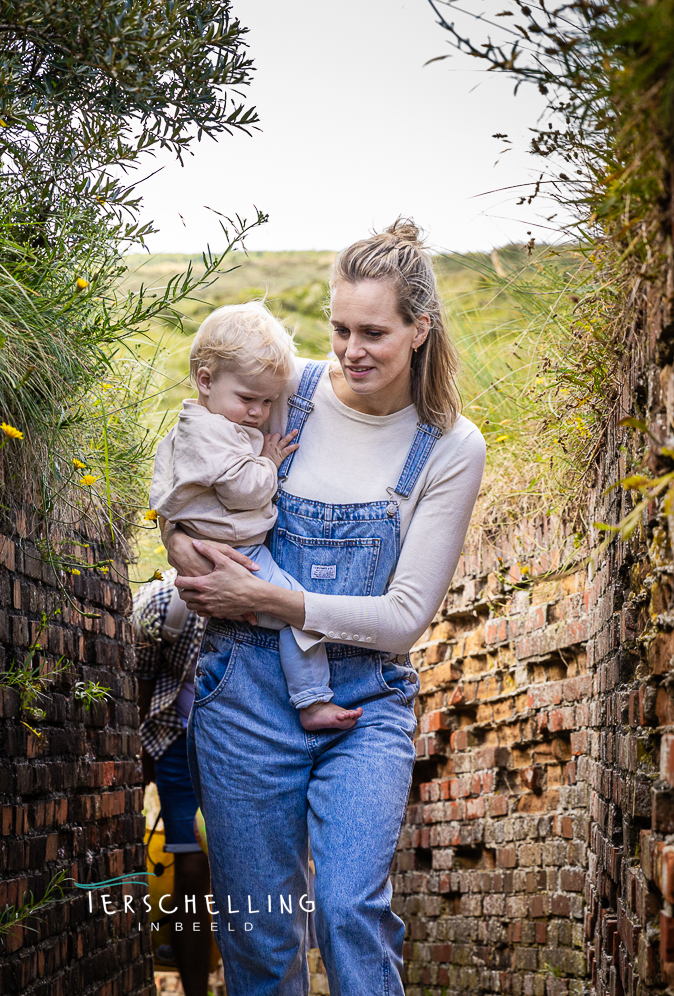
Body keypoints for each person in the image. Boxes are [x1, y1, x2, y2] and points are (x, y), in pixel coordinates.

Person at [165, 220, 486, 994]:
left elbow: (405, 617)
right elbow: (195, 478)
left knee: (348, 910)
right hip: (242, 693)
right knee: (262, 933)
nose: (350, 350)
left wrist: (272, 597)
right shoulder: (288, 395)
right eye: (340, 328)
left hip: (366, 700)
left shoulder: (448, 446)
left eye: (374, 331)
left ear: (419, 329)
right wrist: (178, 538)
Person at [150, 302, 360, 731]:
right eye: (248, 398)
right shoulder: (212, 435)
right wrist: (268, 461)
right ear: (205, 381)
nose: (259, 413)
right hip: (235, 551)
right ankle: (312, 700)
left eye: (267, 401)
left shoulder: (194, 424)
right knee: (296, 613)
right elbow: (244, 490)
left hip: (217, 545)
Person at [133, 576, 213, 996]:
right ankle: (197, 991)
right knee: (193, 871)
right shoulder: (166, 604)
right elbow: (141, 691)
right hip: (178, 746)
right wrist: (141, 764)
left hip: (243, 745)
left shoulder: (271, 582)